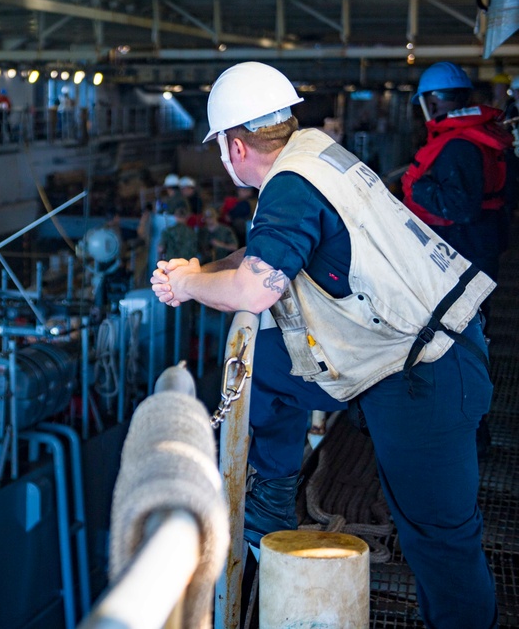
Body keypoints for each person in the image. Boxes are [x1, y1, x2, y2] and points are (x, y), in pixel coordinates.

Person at [151, 61, 497, 629]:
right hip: (401, 358)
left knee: (440, 540)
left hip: (425, 373)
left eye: (220, 146)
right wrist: (199, 270)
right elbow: (261, 257)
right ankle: (269, 499)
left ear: (235, 147)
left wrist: (187, 284)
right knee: (264, 368)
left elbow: (256, 288)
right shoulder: (310, 154)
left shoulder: (289, 185)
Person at [401, 61, 512, 282]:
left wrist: (418, 187)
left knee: (459, 317)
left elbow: (461, 208)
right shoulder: (477, 136)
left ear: (431, 104)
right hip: (481, 243)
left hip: (462, 252)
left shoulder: (458, 145)